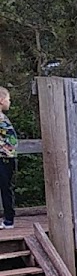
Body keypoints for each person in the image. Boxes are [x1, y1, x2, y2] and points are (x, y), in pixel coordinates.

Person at [0, 87, 17, 229]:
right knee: (6, 188)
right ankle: (8, 219)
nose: (9, 102)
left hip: (7, 159)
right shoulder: (1, 119)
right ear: (1, 101)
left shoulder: (3, 118)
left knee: (6, 188)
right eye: (8, 99)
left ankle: (9, 219)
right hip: (4, 159)